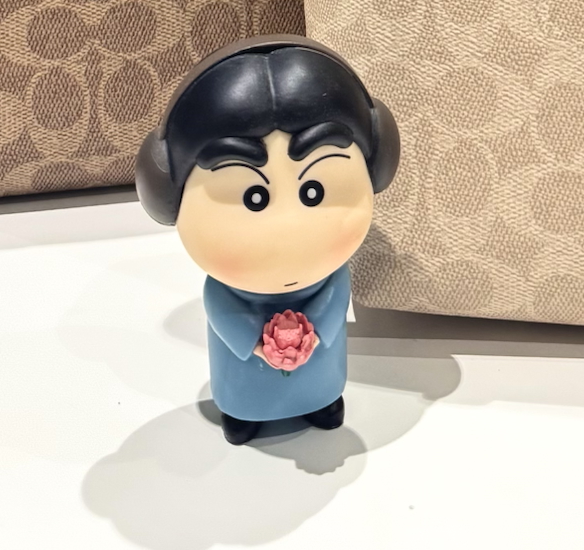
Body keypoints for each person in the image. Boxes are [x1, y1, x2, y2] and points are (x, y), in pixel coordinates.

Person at [135, 38, 400, 443]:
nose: (288, 229)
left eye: (313, 192)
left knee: (321, 385)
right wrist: (257, 344)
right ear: (165, 192)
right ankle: (244, 414)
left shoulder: (331, 275)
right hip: (246, 373)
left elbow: (335, 294)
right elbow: (222, 307)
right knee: (246, 396)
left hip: (318, 361)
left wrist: (315, 334)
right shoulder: (224, 289)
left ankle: (321, 402)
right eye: (253, 198)